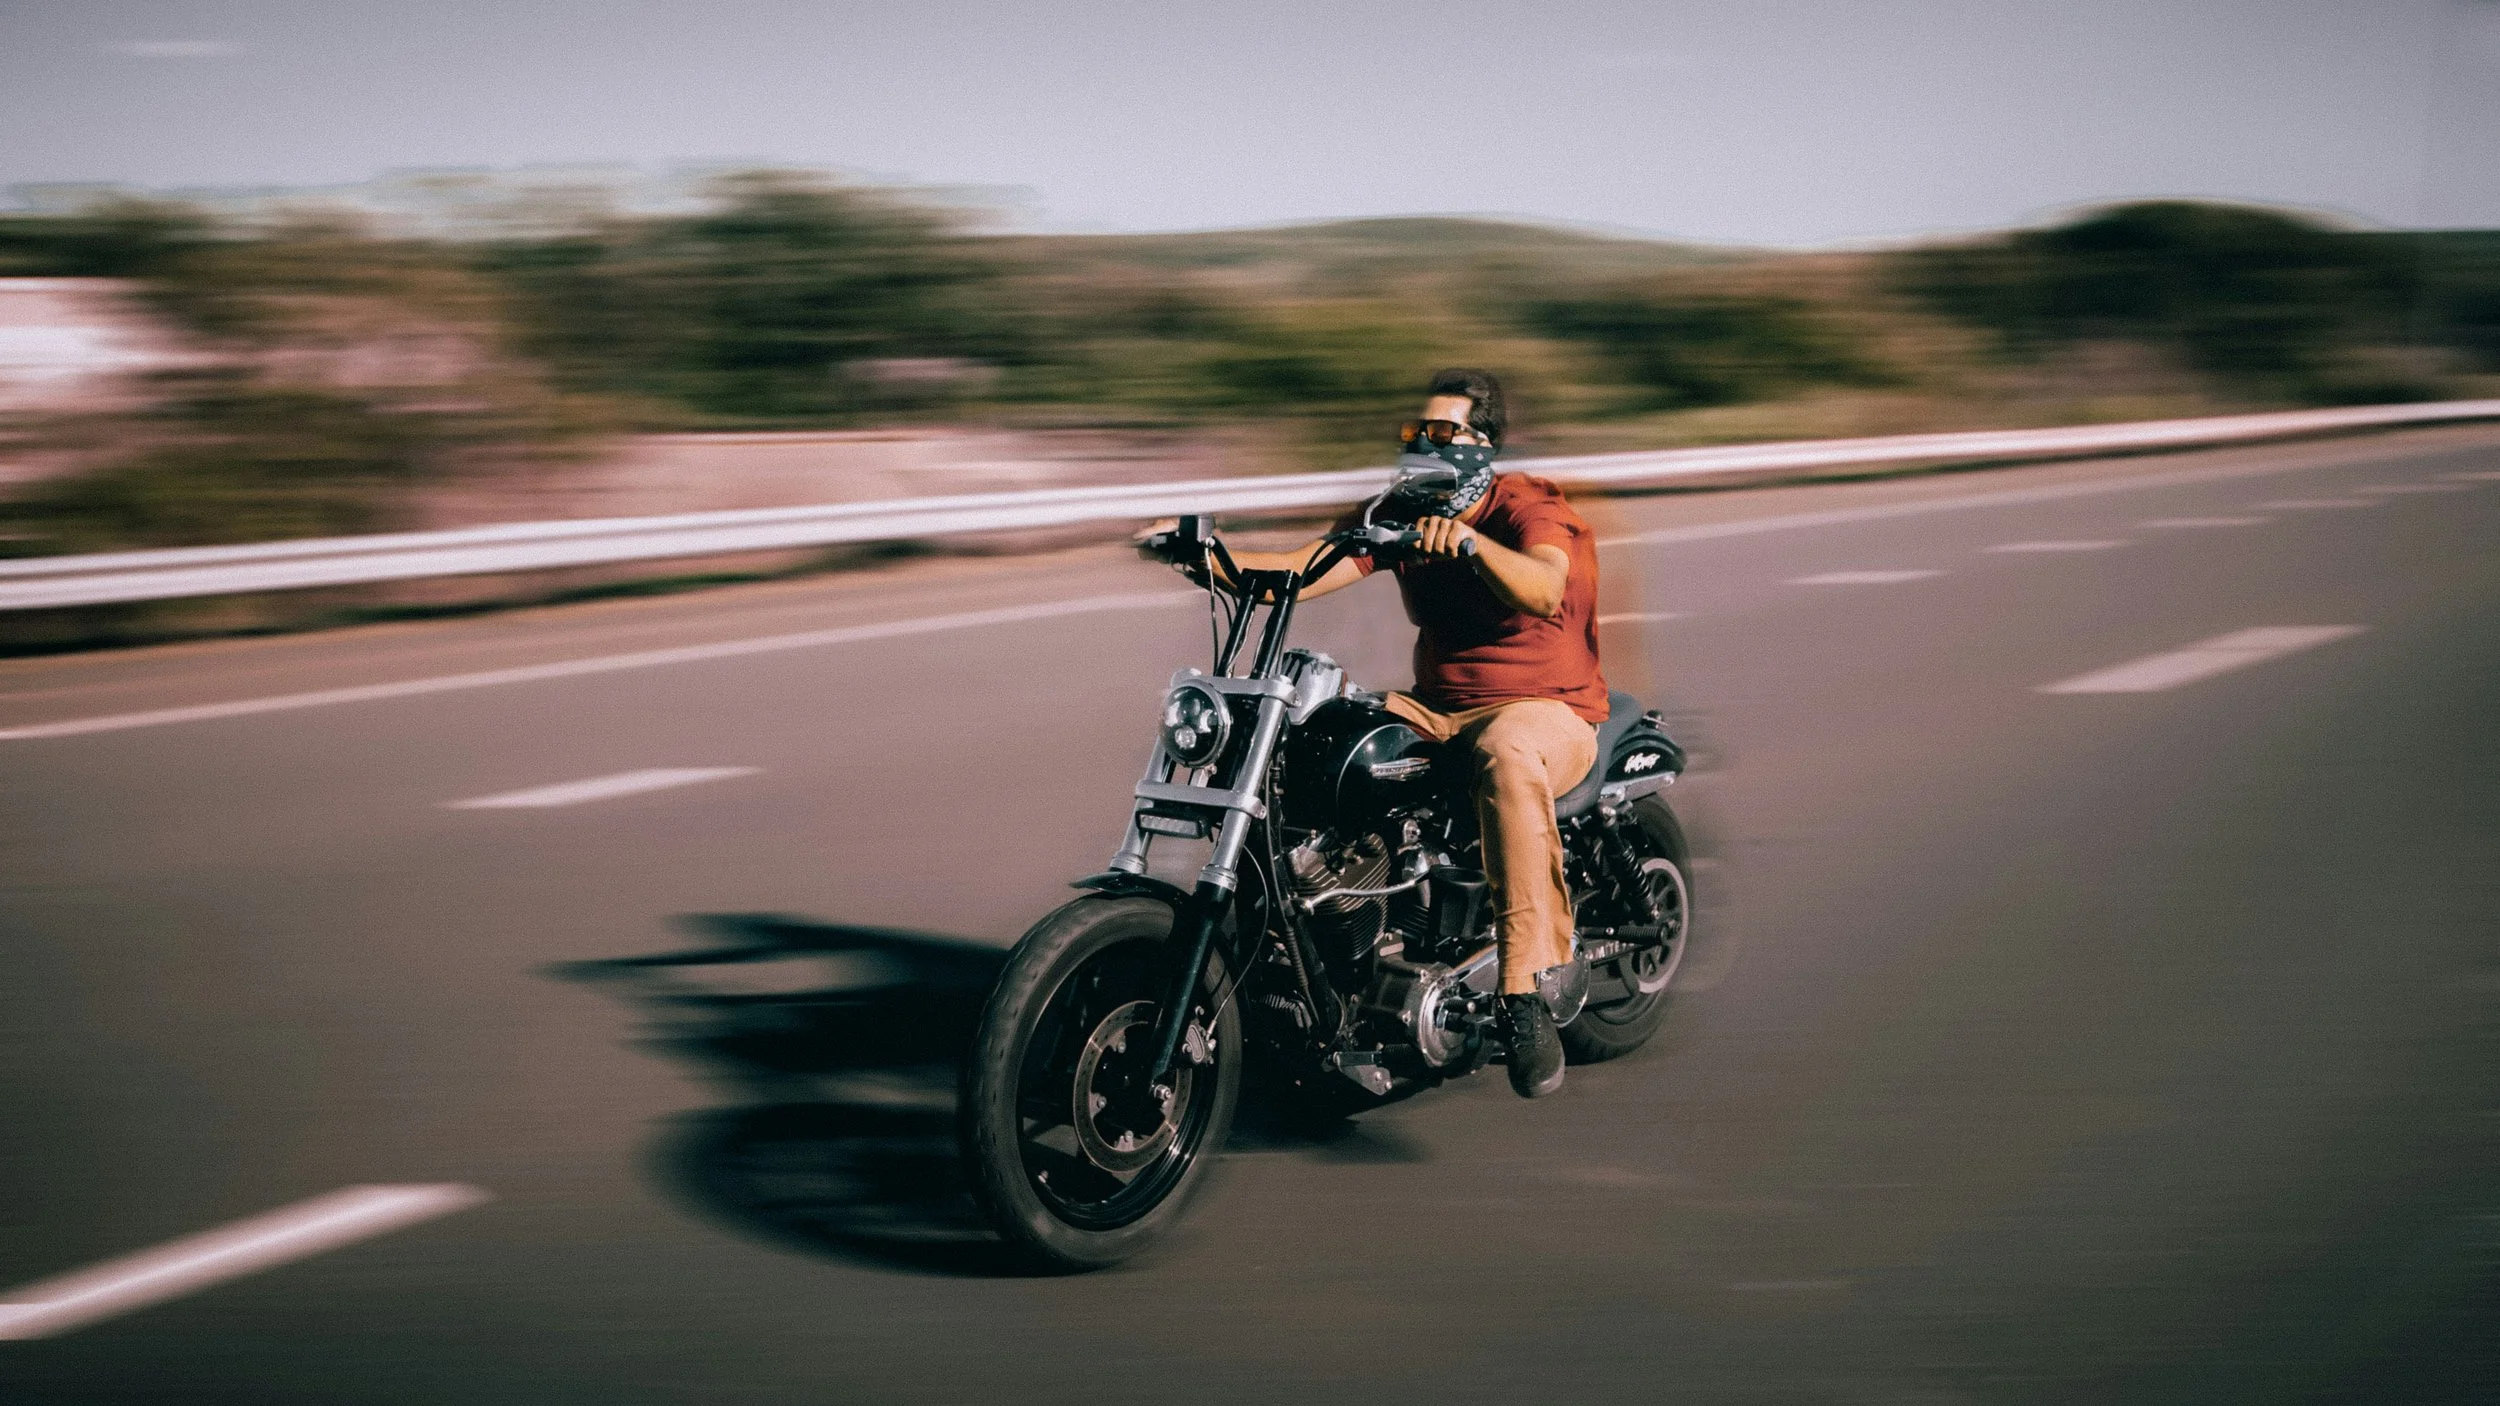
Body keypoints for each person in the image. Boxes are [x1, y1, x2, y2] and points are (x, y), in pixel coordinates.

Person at [1148, 368, 1605, 1098]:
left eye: (1444, 432)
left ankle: (1523, 993)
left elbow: (1544, 585)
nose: (1425, 443)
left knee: (1506, 753)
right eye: (1417, 432)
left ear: (1484, 443)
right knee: (1316, 740)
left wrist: (1468, 544)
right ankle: (1321, 946)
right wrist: (1209, 563)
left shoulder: (1527, 508)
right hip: (1438, 704)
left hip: (1545, 708)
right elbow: (1297, 571)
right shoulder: (1401, 510)